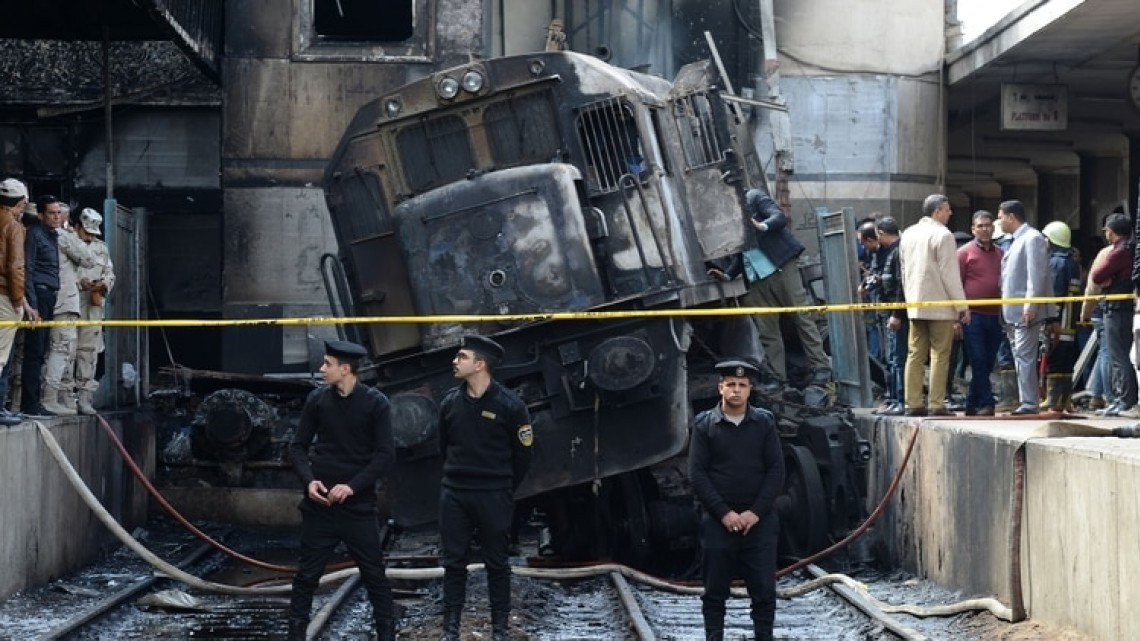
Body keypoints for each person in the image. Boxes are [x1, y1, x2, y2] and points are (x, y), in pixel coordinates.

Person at [287, 340, 396, 641]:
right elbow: (297, 447)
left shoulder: (375, 403)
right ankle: (295, 635)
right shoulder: (317, 400)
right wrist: (309, 481)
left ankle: (387, 635)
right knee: (306, 577)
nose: (321, 369)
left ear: (344, 369)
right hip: (320, 508)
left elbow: (386, 455)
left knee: (374, 576)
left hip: (357, 509)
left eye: (327, 364)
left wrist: (352, 486)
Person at [437, 334, 534, 641]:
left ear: (480, 365)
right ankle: (450, 630)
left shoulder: (511, 406)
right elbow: (445, 446)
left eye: (461, 357)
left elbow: (523, 455)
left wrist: (502, 486)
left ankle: (500, 630)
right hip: (455, 493)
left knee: (497, 563)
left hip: (494, 494)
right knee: (454, 563)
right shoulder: (449, 404)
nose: (455, 361)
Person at [689, 360, 784, 641]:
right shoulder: (705, 425)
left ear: (749, 390)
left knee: (764, 590)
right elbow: (697, 473)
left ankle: (763, 636)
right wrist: (724, 513)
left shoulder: (764, 423)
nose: (736, 390)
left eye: (742, 385)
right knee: (715, 591)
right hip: (718, 522)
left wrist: (755, 512)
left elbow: (776, 470)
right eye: (730, 384)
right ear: (720, 388)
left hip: (760, 522)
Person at [738, 188, 831, 388]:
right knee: (767, 329)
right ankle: (778, 378)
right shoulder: (724, 214)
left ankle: (820, 366)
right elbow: (741, 252)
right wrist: (728, 274)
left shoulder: (753, 197)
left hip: (780, 266)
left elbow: (778, 216)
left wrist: (761, 226)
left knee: (802, 316)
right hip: (755, 277)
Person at [898, 194, 970, 416]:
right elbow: (949, 274)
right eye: (947, 209)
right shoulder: (943, 235)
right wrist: (961, 306)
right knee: (940, 353)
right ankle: (936, 404)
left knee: (915, 354)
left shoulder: (908, 233)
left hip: (916, 303)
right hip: (939, 304)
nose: (950, 213)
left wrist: (909, 300)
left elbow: (904, 270)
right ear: (937, 211)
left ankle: (912, 403)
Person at [996, 200, 1050, 416]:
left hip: (1024, 311)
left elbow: (1035, 275)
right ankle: (1026, 399)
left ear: (1011, 216)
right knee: (1020, 356)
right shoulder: (1015, 240)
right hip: (1012, 311)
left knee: (1025, 356)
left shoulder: (1032, 238)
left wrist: (1030, 305)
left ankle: (1029, 402)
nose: (999, 222)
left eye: (1000, 217)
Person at [41, 204, 93, 416]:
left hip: (45, 298)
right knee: (60, 348)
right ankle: (49, 398)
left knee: (40, 350)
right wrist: (72, 234)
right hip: (64, 301)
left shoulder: (36, 233)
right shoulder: (63, 235)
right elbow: (88, 259)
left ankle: (21, 401)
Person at [1088, 213, 1138, 417]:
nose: (1106, 235)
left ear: (1113, 231)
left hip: (1116, 308)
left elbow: (1097, 275)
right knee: (1124, 355)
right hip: (1125, 307)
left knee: (1119, 356)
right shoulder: (1132, 249)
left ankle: (1123, 400)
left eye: (1107, 231)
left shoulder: (1119, 252)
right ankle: (1123, 399)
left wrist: (1109, 279)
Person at [956, 211, 1003, 416]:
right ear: (973, 229)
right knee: (978, 359)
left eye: (988, 225)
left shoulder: (1001, 253)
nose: (985, 229)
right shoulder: (964, 253)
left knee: (988, 361)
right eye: (980, 226)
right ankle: (987, 402)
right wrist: (957, 316)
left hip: (995, 315)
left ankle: (972, 403)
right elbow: (956, 284)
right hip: (972, 315)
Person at [21, 194, 64, 417]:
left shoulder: (53, 236)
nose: (57, 217)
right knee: (34, 351)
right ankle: (29, 404)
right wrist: (32, 304)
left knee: (41, 350)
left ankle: (32, 402)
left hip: (49, 296)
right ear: (40, 215)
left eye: (58, 212)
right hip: (39, 294)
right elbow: (27, 269)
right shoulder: (35, 235)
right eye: (52, 213)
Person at [72, 208, 114, 415]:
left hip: (93, 306)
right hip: (70, 305)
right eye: (86, 232)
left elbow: (109, 273)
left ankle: (84, 398)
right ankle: (63, 397)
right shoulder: (67, 243)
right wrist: (81, 283)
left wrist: (103, 284)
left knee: (89, 353)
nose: (89, 237)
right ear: (77, 226)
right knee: (65, 351)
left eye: (92, 234)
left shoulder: (101, 248)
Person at [1041, 221, 1081, 412]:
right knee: (1066, 362)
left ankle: (1054, 399)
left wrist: (1052, 320)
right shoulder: (1072, 262)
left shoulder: (1056, 262)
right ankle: (1064, 400)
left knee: (1055, 359)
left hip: (1059, 322)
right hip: (1070, 323)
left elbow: (1055, 294)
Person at [0, 179, 30, 426]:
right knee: (1, 355)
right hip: (4, 296)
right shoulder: (13, 226)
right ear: (21, 203)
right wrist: (19, 301)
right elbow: (15, 267)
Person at [875, 217, 906, 415]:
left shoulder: (898, 253)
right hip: (889, 313)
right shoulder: (887, 252)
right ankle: (893, 398)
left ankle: (900, 400)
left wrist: (896, 314)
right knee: (892, 358)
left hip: (897, 316)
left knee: (897, 358)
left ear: (882, 233)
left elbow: (900, 285)